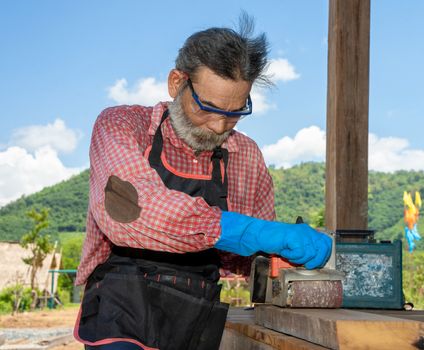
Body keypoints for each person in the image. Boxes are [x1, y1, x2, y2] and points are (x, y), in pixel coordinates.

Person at [74, 15, 332, 350]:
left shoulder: (246, 156)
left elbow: (248, 259)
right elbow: (129, 210)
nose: (219, 126)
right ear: (176, 82)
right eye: (207, 108)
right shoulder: (123, 125)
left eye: (236, 111)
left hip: (195, 315)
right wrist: (247, 232)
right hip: (121, 307)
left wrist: (285, 255)